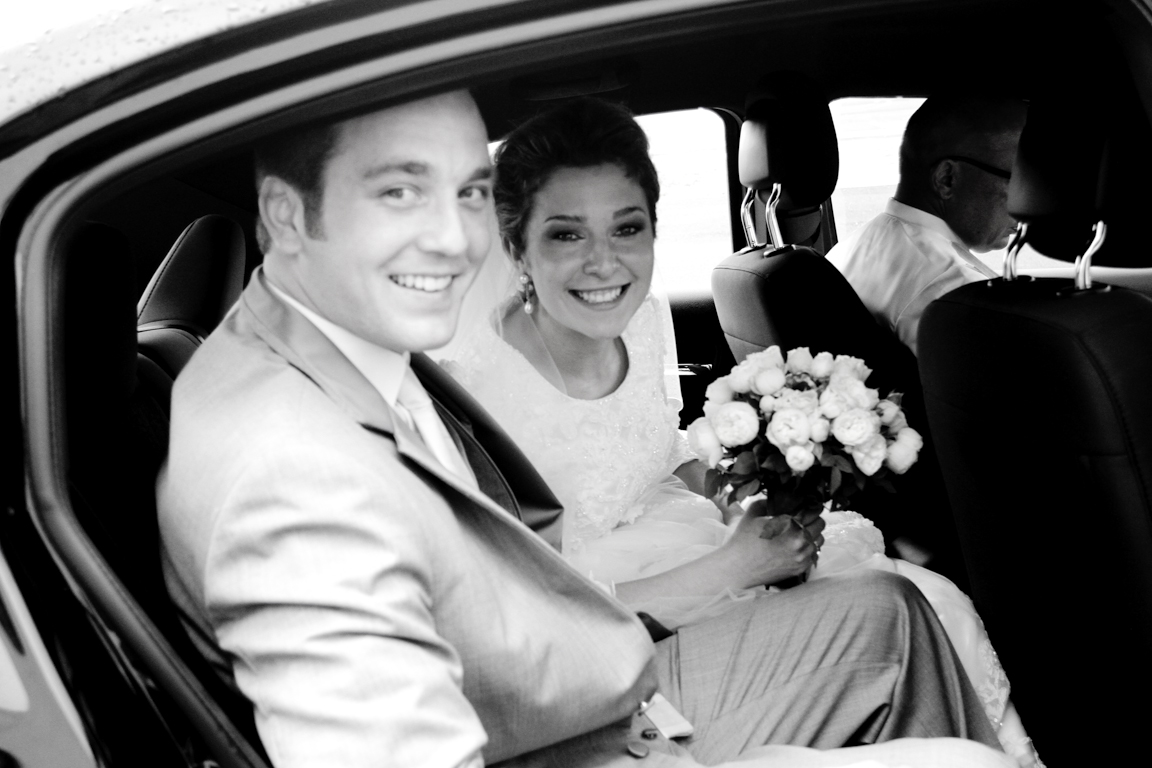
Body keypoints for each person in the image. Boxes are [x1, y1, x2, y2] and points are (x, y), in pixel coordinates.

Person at [158, 89, 1013, 768]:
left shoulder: (439, 357)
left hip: (605, 633)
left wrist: (733, 500)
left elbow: (642, 466)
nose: (447, 242)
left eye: (462, 195)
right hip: (582, 703)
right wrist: (725, 573)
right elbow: (470, 682)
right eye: (396, 197)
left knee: (899, 605)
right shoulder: (310, 447)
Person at [446, 97, 1038, 767]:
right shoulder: (474, 389)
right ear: (517, 246)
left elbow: (660, 450)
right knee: (900, 605)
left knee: (928, 596)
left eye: (627, 228)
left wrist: (737, 499)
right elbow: (515, 623)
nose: (605, 263)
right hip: (601, 628)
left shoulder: (642, 319)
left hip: (682, 532)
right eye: (566, 235)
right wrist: (731, 566)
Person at [825, 96, 1028, 355]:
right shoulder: (956, 292)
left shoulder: (845, 250)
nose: (1027, 201)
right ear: (946, 179)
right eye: (1018, 179)